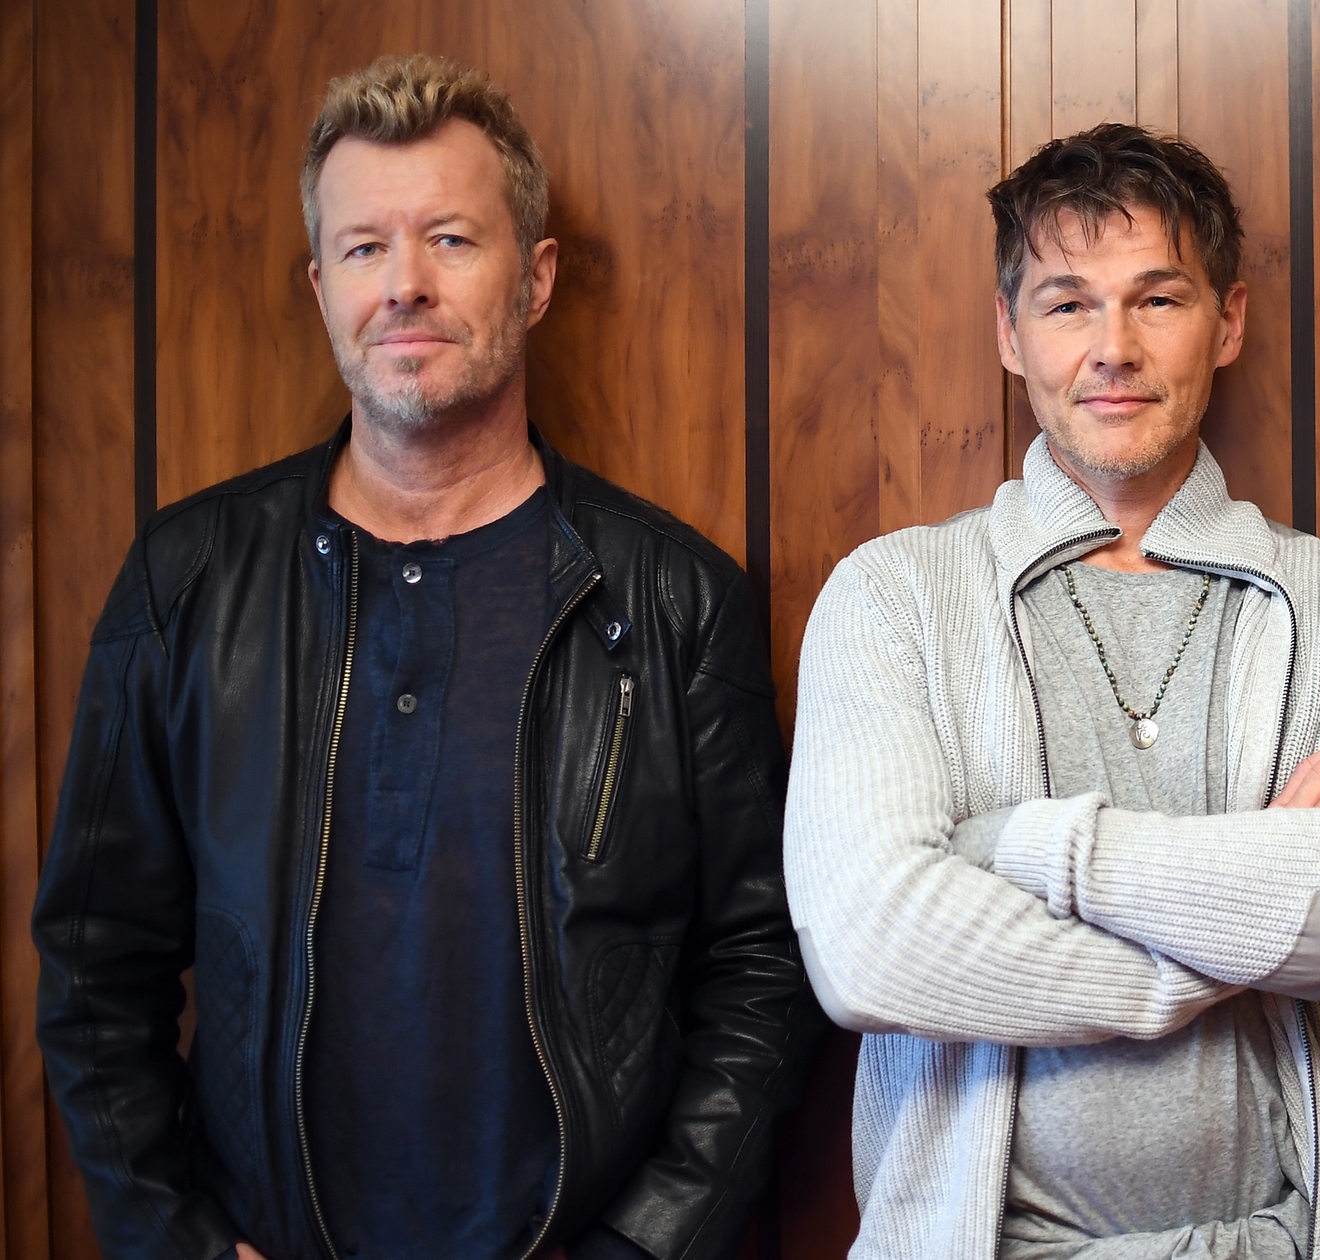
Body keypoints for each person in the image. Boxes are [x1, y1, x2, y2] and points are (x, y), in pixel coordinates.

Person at [33, 53, 810, 1260]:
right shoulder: (186, 584)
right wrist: (176, 1244)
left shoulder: (673, 600)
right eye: (362, 248)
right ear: (319, 284)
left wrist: (645, 1247)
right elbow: (94, 966)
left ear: (535, 277)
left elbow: (759, 972)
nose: (403, 285)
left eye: (450, 238)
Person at [784, 122, 1320, 1260]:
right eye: (1065, 305)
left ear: (1227, 320)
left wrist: (1019, 848)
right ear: (1008, 333)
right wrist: (1246, 908)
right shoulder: (892, 595)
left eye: (1156, 300)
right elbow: (868, 945)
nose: (1111, 349)